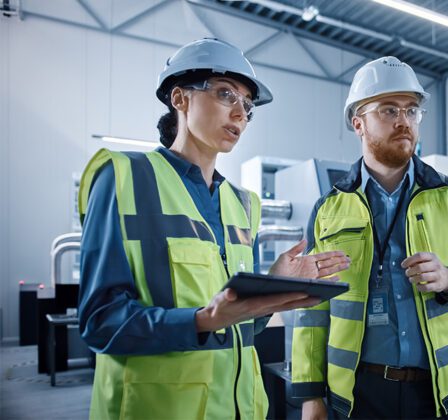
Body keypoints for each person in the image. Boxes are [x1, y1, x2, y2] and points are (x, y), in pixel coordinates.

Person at [77, 38, 350, 420]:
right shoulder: (124, 179)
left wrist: (273, 284)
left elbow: (237, 324)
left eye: (248, 106)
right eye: (226, 95)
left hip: (241, 409)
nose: (240, 114)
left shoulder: (241, 204)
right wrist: (202, 321)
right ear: (180, 98)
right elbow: (99, 322)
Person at [291, 56, 448, 419]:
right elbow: (313, 307)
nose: (404, 121)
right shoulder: (328, 210)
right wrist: (311, 395)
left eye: (412, 110)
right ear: (359, 123)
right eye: (389, 110)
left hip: (441, 394)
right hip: (359, 396)